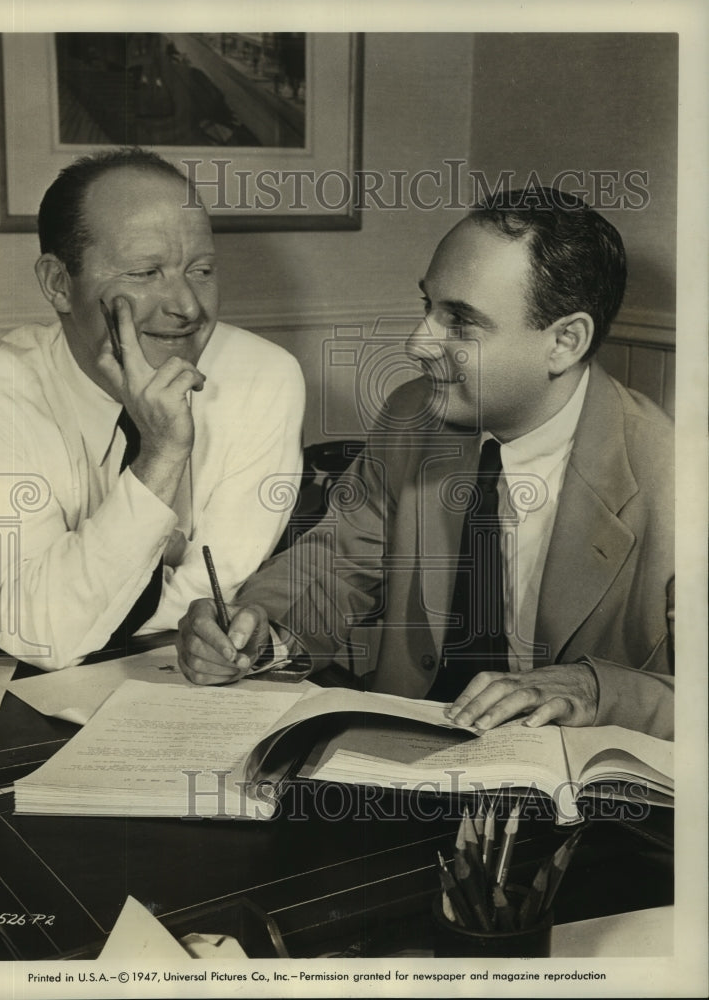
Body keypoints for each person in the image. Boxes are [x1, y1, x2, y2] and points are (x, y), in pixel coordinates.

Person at [177, 187, 674, 741]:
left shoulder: (678, 480)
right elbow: (333, 565)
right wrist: (257, 632)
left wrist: (592, 689)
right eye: (427, 307)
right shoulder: (413, 416)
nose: (418, 342)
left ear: (565, 341)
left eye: (460, 323)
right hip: (406, 775)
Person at [0, 148, 305, 669]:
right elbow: (41, 635)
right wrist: (161, 454)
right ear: (58, 283)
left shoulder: (265, 378)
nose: (187, 306)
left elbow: (211, 598)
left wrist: (43, 603)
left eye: (200, 270)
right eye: (145, 272)